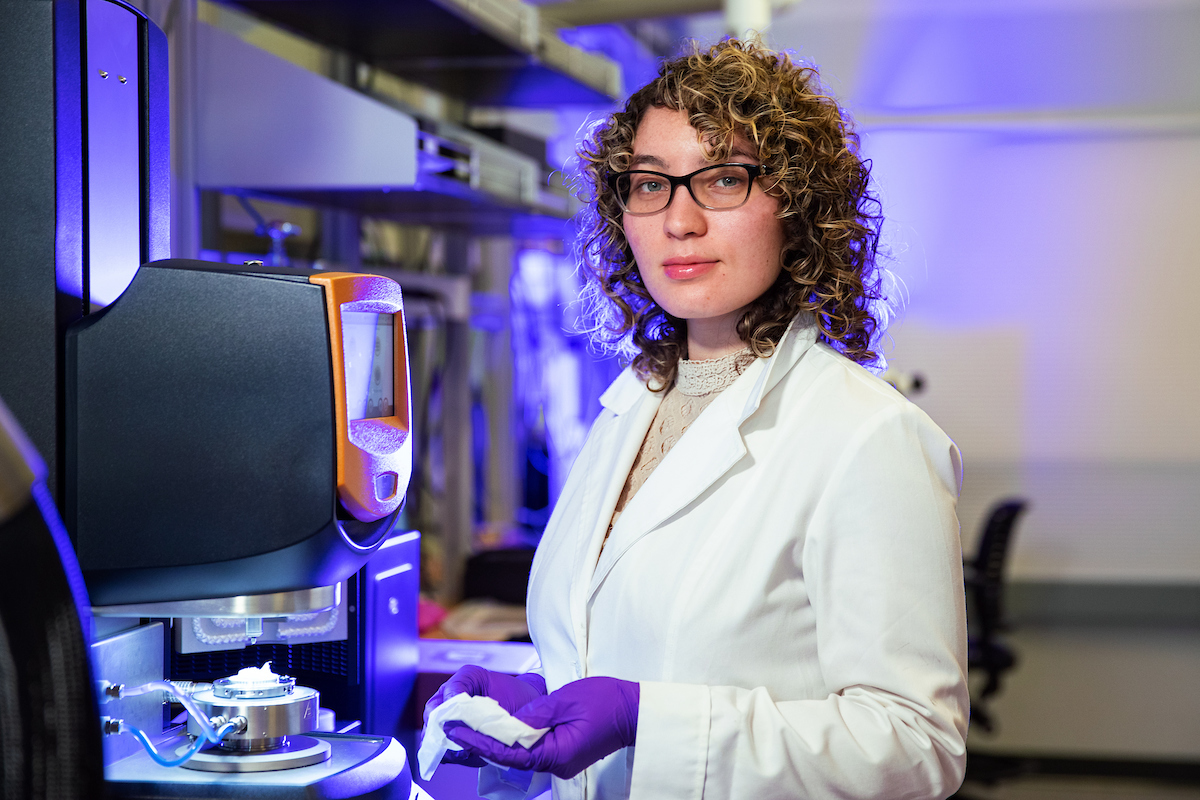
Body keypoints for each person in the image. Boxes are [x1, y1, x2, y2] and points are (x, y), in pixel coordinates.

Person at [423, 38, 969, 800]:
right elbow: (630, 644)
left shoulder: (868, 438)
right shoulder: (629, 408)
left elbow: (916, 747)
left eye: (721, 179)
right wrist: (536, 697)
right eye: (649, 184)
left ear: (797, 204)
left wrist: (652, 720)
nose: (679, 220)